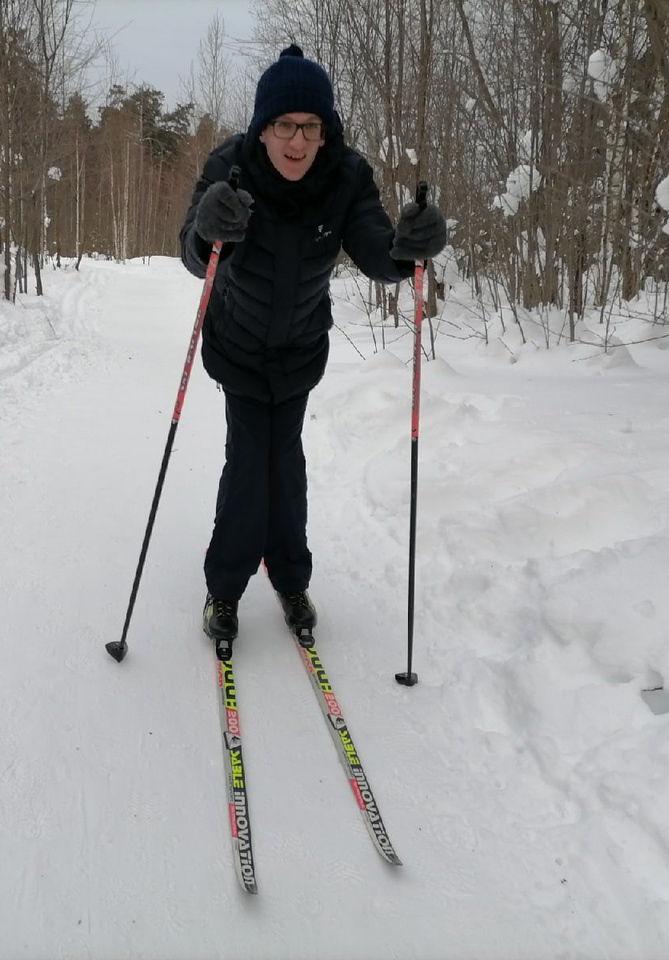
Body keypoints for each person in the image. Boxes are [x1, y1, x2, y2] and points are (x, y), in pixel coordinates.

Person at [180, 44, 446, 656]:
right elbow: (194, 252)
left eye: (310, 127)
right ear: (263, 128)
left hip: (299, 348)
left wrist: (410, 248)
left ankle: (291, 579)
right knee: (251, 463)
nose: (297, 142)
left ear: (326, 132)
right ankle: (225, 587)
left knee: (286, 467)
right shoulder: (232, 167)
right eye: (284, 126)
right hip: (239, 344)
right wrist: (207, 228)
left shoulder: (345, 175)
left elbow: (378, 248)